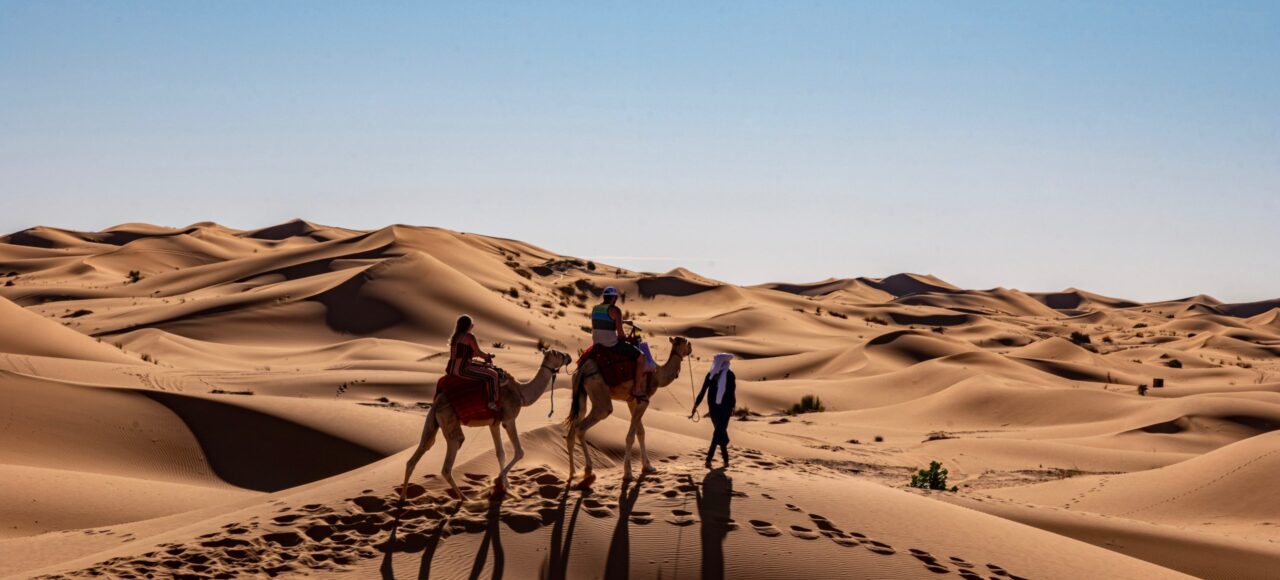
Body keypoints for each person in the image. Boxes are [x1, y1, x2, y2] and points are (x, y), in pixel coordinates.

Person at [590, 286, 648, 399]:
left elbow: (604, 321)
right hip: (611, 345)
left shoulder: (595, 308)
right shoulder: (615, 310)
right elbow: (620, 335)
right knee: (641, 358)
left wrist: (622, 321)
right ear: (615, 298)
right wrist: (627, 339)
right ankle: (636, 389)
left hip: (596, 343)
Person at [447, 315, 500, 411]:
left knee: (485, 367)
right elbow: (479, 353)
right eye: (472, 324)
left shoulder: (455, 337)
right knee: (493, 375)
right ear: (469, 325)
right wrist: (488, 356)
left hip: (451, 369)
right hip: (462, 370)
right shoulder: (469, 336)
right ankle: (491, 402)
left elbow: (465, 355)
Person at [692, 353, 736, 468]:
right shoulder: (725, 375)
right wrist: (695, 404)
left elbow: (703, 392)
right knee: (720, 432)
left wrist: (696, 405)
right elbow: (731, 394)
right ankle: (718, 460)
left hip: (717, 409)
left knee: (719, 431)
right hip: (721, 409)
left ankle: (718, 460)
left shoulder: (713, 375)